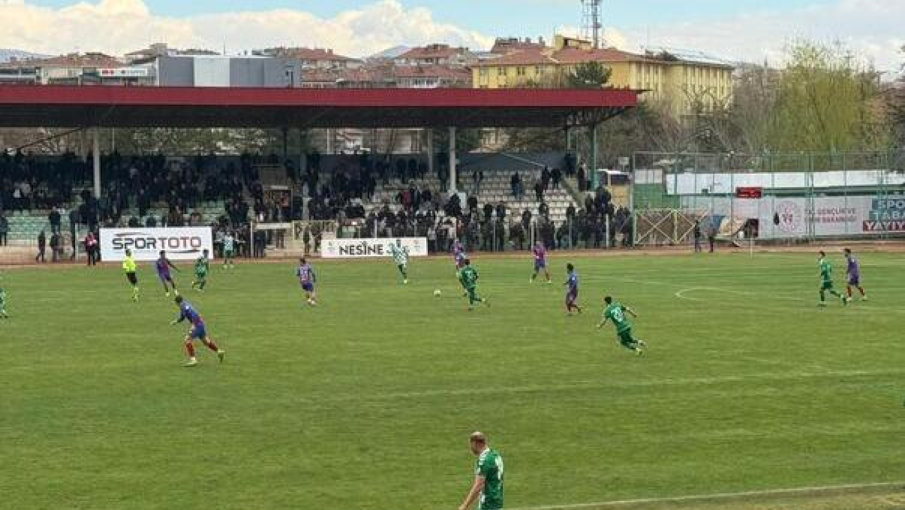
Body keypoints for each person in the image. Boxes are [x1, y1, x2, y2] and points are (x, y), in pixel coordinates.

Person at [170, 295, 224, 367]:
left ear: (177, 303)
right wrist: (176, 321)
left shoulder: (185, 307)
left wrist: (194, 325)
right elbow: (182, 317)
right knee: (206, 342)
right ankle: (219, 351)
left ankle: (193, 360)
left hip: (197, 325)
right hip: (200, 325)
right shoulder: (183, 307)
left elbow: (195, 315)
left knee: (187, 340)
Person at [458, 431, 504, 510]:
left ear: (475, 443)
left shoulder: (484, 461)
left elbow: (478, 486)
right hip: (497, 502)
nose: (471, 448)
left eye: (471, 445)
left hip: (488, 504)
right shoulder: (495, 455)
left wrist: (464, 506)